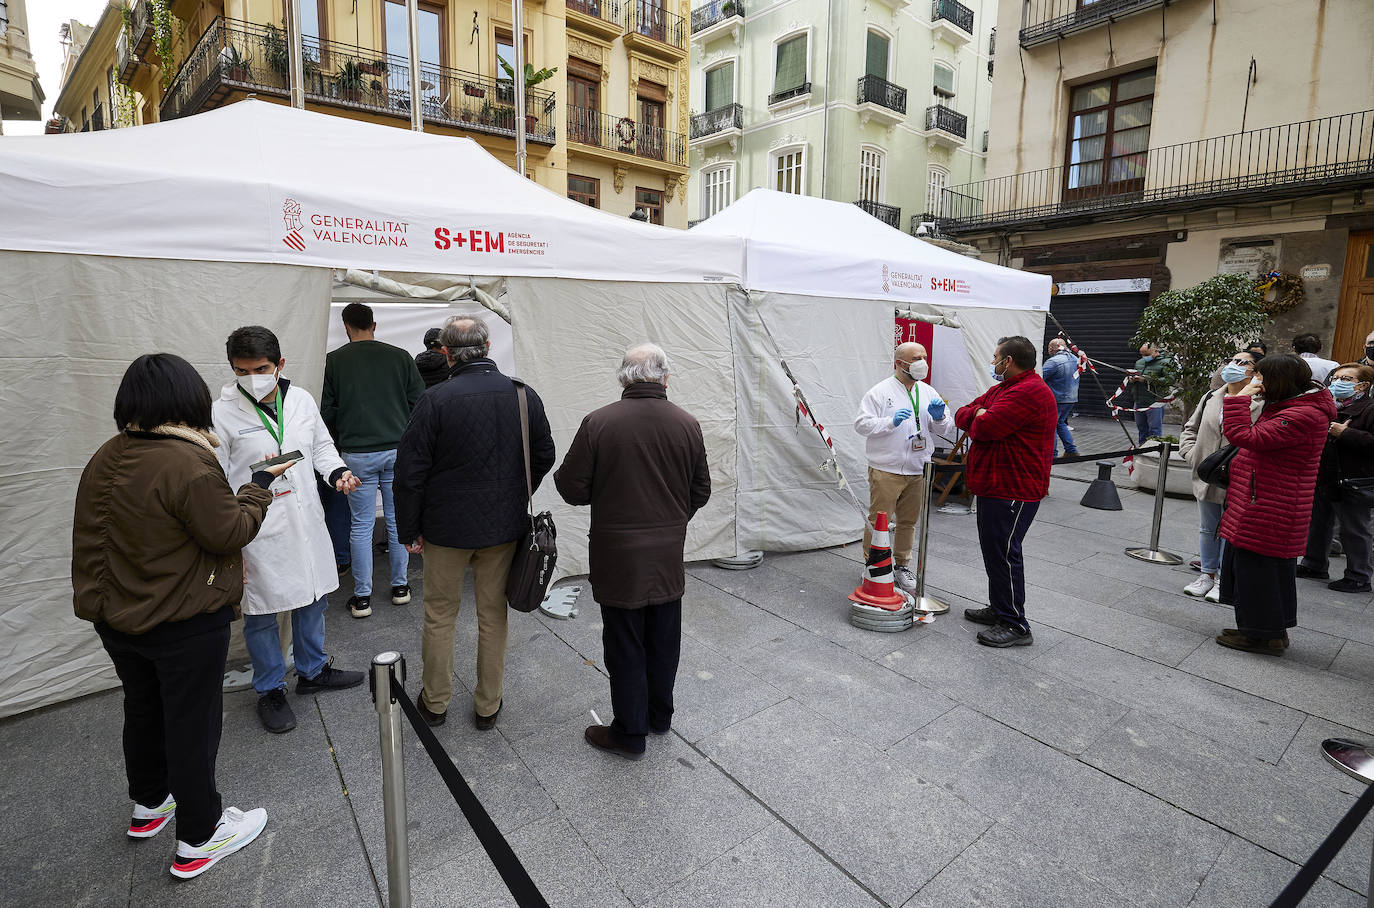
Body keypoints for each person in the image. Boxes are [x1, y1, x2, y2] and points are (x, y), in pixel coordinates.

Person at [72, 354, 288, 879]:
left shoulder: (107, 453)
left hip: (117, 616)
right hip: (180, 620)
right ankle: (200, 835)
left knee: (144, 710)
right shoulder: (187, 463)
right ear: (188, 402)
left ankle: (149, 805)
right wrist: (258, 489)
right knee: (192, 725)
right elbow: (227, 532)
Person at [395, 316, 555, 729]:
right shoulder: (523, 394)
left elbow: (409, 472)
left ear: (445, 352)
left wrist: (408, 530)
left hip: (446, 528)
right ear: (487, 347)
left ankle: (435, 702)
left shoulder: (435, 399)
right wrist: (517, 491)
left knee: (439, 614)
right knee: (493, 614)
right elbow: (544, 454)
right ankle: (488, 705)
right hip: (503, 527)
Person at [555, 344, 711, 759]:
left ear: (624, 376)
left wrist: (609, 490)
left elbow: (570, 488)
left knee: (624, 641)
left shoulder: (598, 422)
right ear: (665, 377)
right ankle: (660, 716)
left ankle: (630, 731)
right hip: (666, 552)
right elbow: (701, 491)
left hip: (617, 551)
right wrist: (671, 520)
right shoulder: (687, 423)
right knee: (664, 637)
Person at [213, 326, 365, 733]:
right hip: (258, 524)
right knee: (262, 610)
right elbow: (217, 478)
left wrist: (338, 472)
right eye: (241, 370)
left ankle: (313, 671)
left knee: (312, 596)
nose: (252, 377)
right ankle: (270, 689)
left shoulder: (299, 399)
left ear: (279, 365)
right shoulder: (221, 413)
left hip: (304, 515)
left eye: (260, 368)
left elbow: (319, 446)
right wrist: (260, 477)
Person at [1216, 354, 1335, 655]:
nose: (1257, 382)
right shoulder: (1295, 406)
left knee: (1260, 572)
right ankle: (1263, 630)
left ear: (1278, 380)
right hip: (1264, 498)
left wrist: (1237, 398)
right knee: (1259, 570)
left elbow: (1244, 435)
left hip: (1270, 503)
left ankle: (1263, 635)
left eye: (1261, 377)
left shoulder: (1302, 414)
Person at [322, 302, 425, 618]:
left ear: (346, 326)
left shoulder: (334, 361)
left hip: (357, 453)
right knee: (397, 521)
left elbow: (326, 411)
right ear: (374, 325)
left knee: (361, 524)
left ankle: (362, 597)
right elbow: (420, 402)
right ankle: (400, 588)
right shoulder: (400, 357)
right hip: (397, 450)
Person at [954, 336, 1058, 647]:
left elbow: (985, 428)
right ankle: (1000, 607)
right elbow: (964, 413)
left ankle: (1015, 624)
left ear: (1008, 361)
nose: (993, 362)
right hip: (995, 484)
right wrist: (979, 412)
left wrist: (981, 415)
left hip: (1014, 487)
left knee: (1005, 554)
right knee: (994, 552)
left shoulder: (1028, 392)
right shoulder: (1005, 388)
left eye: (995, 357)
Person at [852, 341, 956, 592]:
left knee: (908, 521)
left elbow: (946, 428)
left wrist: (941, 417)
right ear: (899, 363)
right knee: (879, 521)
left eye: (924, 356)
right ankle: (873, 564)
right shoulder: (879, 391)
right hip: (886, 468)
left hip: (918, 468)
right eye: (916, 358)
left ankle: (901, 565)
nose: (922, 362)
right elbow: (861, 424)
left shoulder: (928, 391)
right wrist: (889, 422)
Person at [1179, 350, 1262, 602]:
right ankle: (1207, 574)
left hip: (1238, 474)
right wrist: (1191, 453)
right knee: (1208, 527)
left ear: (1255, 372)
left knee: (1231, 528)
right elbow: (1190, 428)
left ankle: (1225, 579)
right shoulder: (1211, 397)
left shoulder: (1261, 400)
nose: (1233, 366)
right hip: (1206, 471)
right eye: (1232, 361)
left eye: (1242, 362)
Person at [1297, 363, 1374, 593]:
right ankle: (1314, 564)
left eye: (1347, 379)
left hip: (1353, 479)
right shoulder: (1329, 405)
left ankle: (1359, 576)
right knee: (1318, 523)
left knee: (1355, 528)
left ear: (1363, 385)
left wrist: (1346, 433)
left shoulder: (1369, 409)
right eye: (1337, 377)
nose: (1338, 382)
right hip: (1325, 475)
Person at [1041, 338, 1081, 457]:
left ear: (1053, 348)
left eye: (1049, 347)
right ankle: (1071, 450)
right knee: (1060, 423)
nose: (1048, 350)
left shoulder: (1053, 362)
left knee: (1051, 425)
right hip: (1071, 398)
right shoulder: (1075, 359)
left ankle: (1052, 454)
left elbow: (1039, 378)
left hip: (1056, 399)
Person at [1130, 342, 1175, 443]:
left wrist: (1146, 380)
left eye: (1146, 354)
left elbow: (1170, 380)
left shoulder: (1166, 362)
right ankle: (1142, 449)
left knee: (1154, 430)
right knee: (1141, 429)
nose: (1144, 357)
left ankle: (1154, 452)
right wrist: (1132, 380)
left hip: (1155, 401)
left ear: (1155, 351)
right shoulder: (1139, 362)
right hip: (1139, 400)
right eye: (1142, 354)